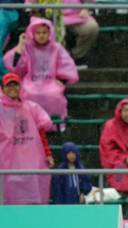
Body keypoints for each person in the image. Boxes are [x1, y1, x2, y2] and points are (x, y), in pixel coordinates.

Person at [3, 17, 78, 120]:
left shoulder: (56, 48)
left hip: (50, 82)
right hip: (30, 82)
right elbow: (13, 66)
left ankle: (54, 124)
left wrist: (62, 80)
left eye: (44, 33)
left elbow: (67, 65)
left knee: (54, 95)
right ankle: (30, 122)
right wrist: (20, 46)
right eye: (38, 33)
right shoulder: (27, 47)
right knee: (28, 93)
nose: (41, 35)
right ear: (32, 33)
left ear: (49, 33)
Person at [0, 73, 53, 205]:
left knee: (34, 197)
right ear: (2, 88)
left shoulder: (31, 107)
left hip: (32, 161)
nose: (12, 88)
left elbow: (41, 132)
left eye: (15, 84)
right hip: (7, 162)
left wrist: (47, 153)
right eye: (8, 85)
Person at [62, 0, 100, 67]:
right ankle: (60, 58)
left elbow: (89, 1)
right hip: (53, 17)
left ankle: (77, 57)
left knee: (92, 27)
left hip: (78, 16)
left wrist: (86, 8)